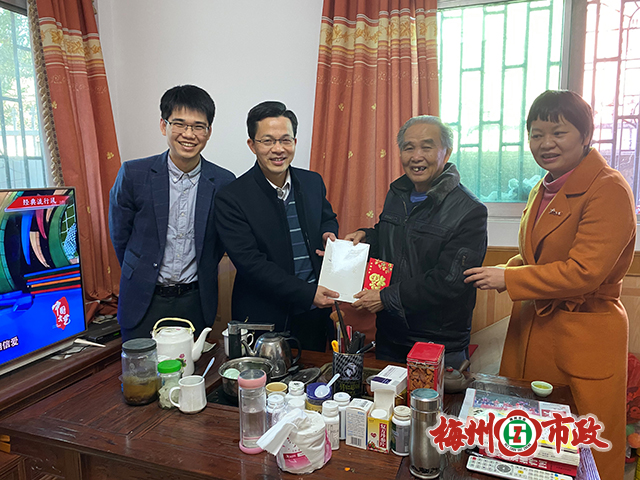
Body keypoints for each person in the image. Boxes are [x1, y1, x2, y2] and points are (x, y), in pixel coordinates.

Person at [464, 90, 634, 480]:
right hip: (534, 328)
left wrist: (509, 278)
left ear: (585, 135)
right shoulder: (543, 187)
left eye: (558, 133)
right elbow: (535, 257)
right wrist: (505, 270)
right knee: (530, 441)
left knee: (583, 449)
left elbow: (585, 272)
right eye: (536, 134)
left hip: (583, 332)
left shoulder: (608, 188)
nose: (545, 144)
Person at [345, 115, 488, 367]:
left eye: (427, 147)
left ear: (446, 152)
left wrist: (386, 298)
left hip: (436, 343)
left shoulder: (469, 210)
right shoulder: (397, 193)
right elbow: (394, 238)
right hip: (390, 335)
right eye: (408, 148)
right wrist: (368, 237)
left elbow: (449, 281)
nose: (416, 156)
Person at [109, 85, 235, 342]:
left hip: (195, 302)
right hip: (142, 300)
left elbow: (220, 243)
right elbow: (120, 234)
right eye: (179, 124)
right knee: (140, 367)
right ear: (163, 125)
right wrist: (141, 273)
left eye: (198, 126)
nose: (189, 134)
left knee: (192, 368)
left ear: (209, 132)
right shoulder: (134, 174)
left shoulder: (223, 182)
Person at [215, 101, 339, 351]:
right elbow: (251, 264)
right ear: (252, 145)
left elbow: (328, 217)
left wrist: (328, 233)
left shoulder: (312, 182)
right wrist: (306, 292)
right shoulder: (232, 197)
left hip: (313, 311)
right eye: (268, 141)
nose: (278, 149)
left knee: (312, 372)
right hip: (264, 315)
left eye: (285, 140)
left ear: (295, 141)